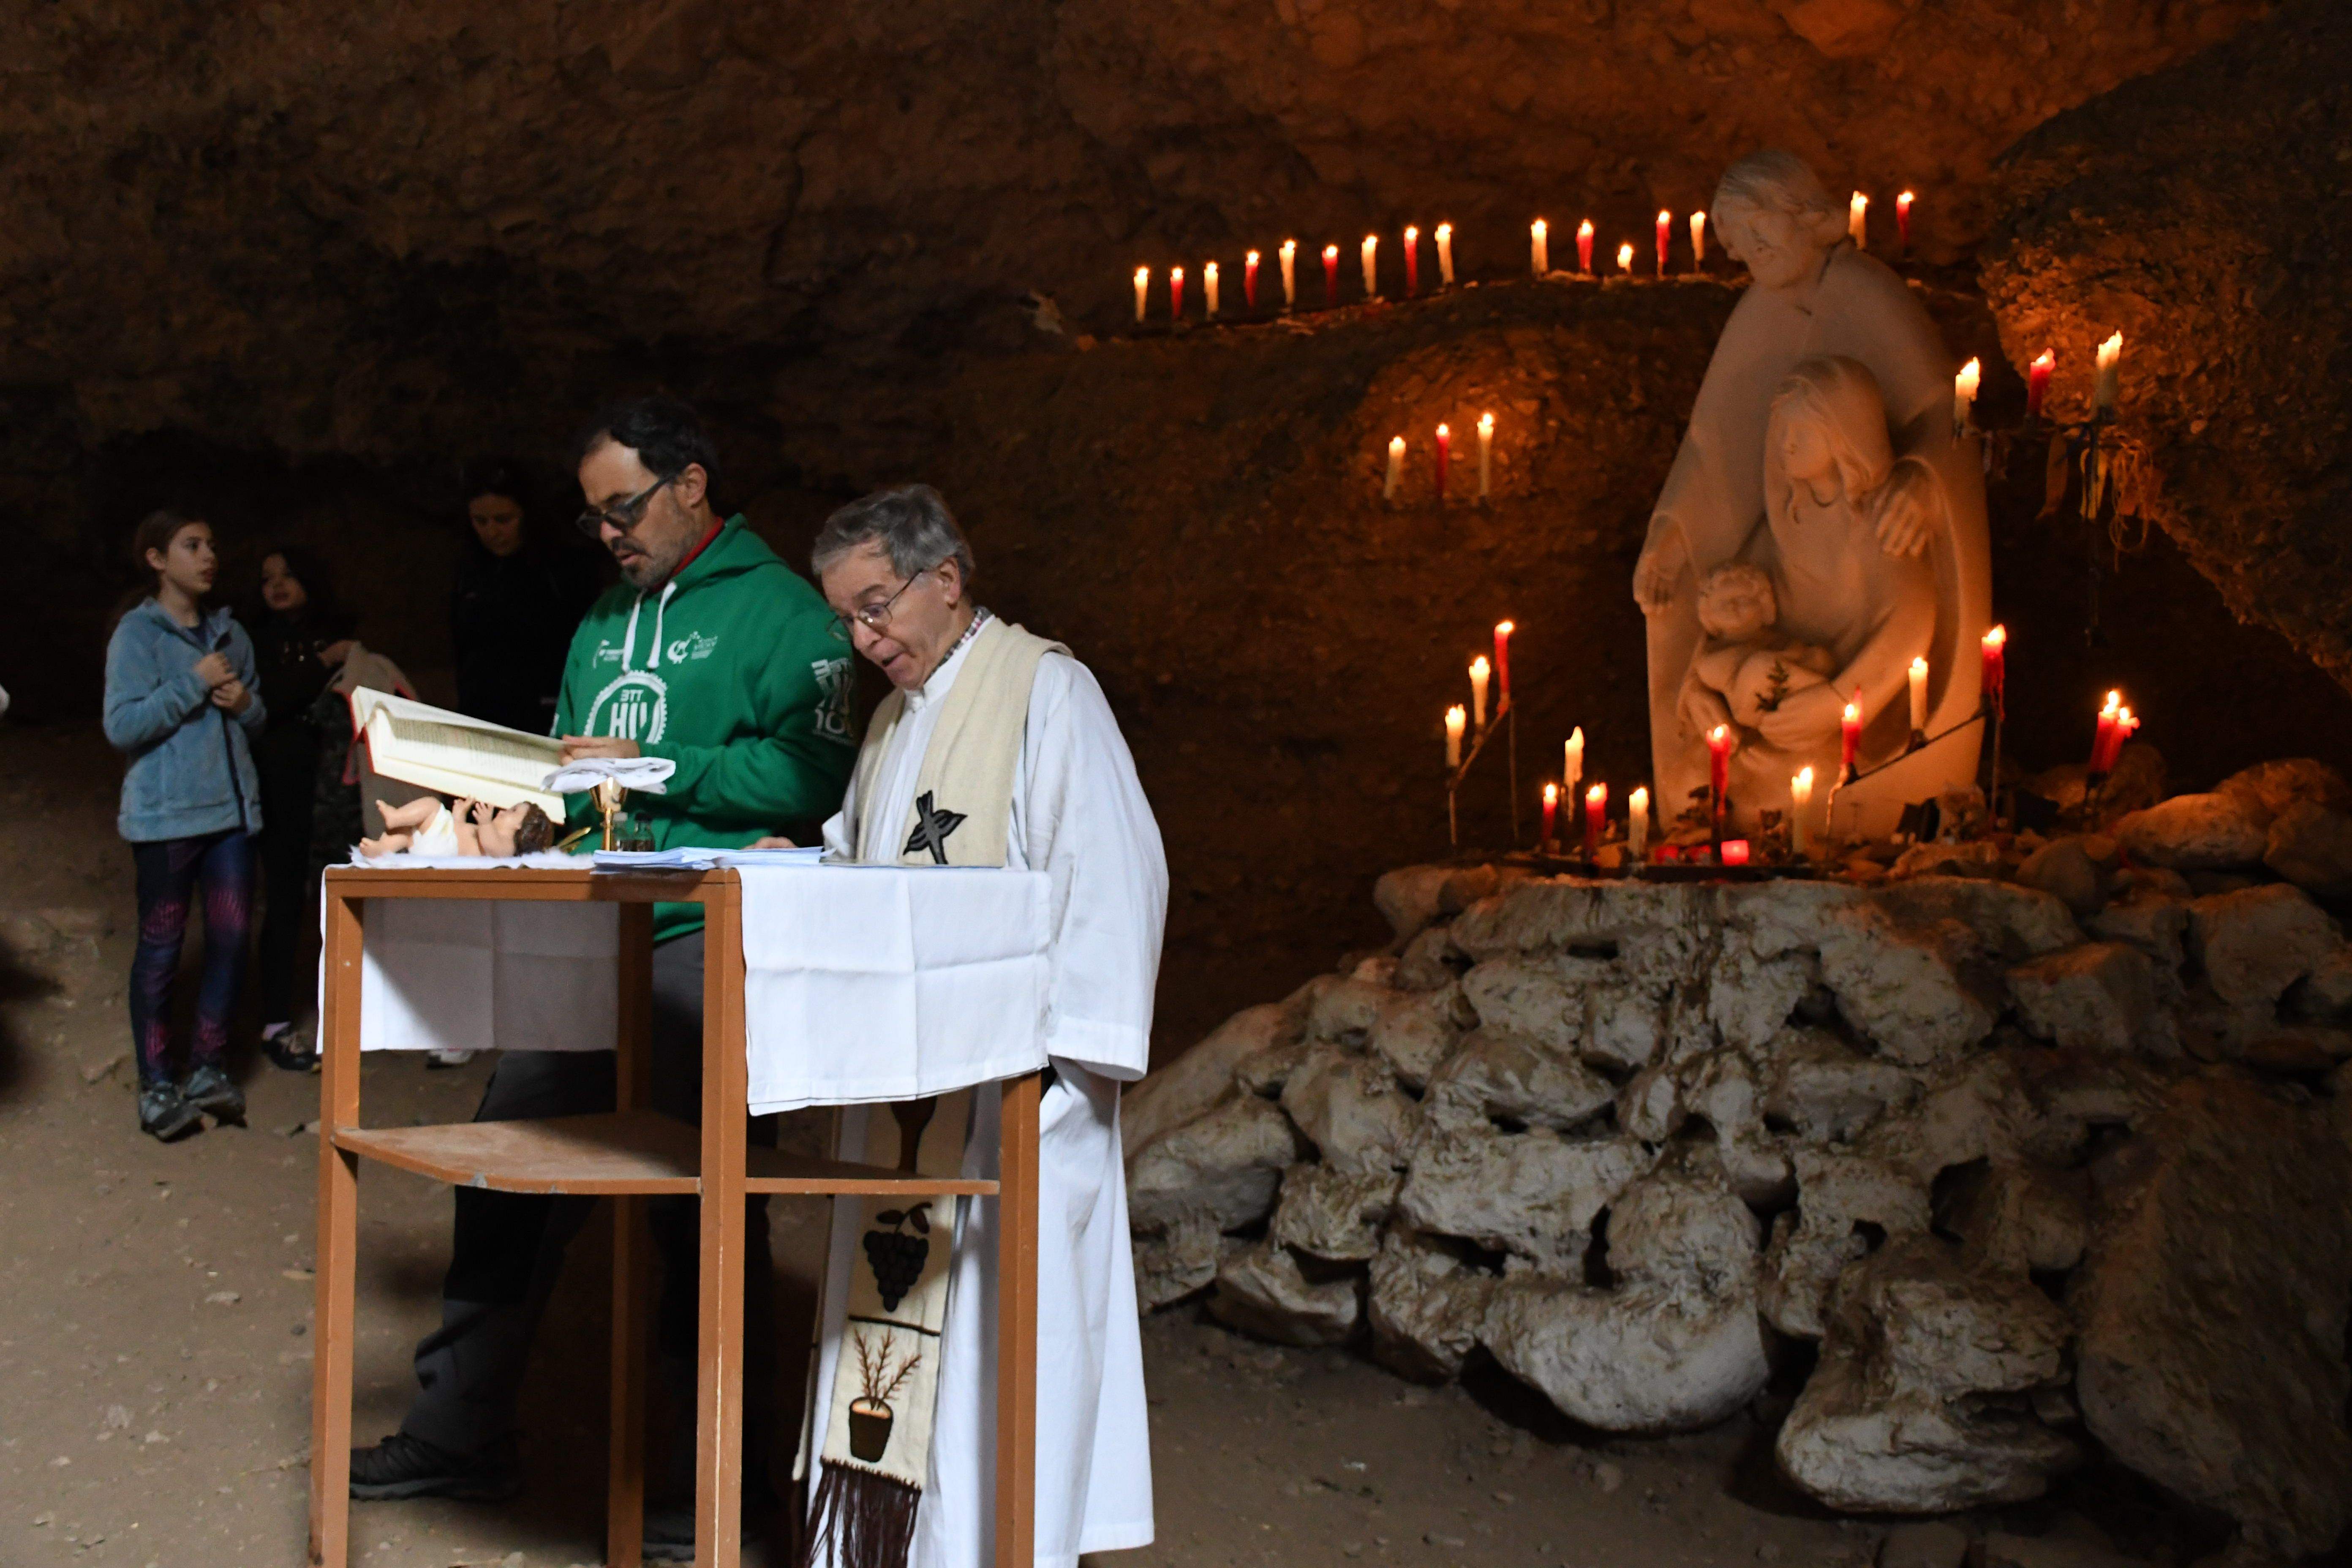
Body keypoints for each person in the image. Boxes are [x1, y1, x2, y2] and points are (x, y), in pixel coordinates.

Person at [349, 396, 857, 1563]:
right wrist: (494, 812)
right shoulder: (600, 622)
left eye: (622, 510)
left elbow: (812, 765)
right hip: (589, 941)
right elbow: (573, 773)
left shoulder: (786, 613)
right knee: (503, 1167)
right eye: (592, 520)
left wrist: (659, 769)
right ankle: (461, 1431)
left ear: (692, 484)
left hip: (703, 937)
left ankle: (702, 1499)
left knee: (701, 1207)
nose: (609, 535)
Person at [798, 484, 1164, 1568]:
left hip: (1016, 1105)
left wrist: (1064, 1070)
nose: (866, 641)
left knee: (1004, 1356)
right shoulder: (895, 720)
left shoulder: (1048, 693)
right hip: (908, 1094)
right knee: (902, 1345)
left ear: (945, 580)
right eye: (849, 621)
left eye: (877, 608)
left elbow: (1115, 874)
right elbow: (871, 863)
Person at [1633, 149, 1988, 819]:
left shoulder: (1869, 294)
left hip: (1850, 675)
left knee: (1802, 761)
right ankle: (1720, 804)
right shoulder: (1760, 317)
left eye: (1759, 232)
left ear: (1811, 220)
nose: (1747, 253)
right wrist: (1672, 541)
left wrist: (1922, 479)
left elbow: (1946, 414)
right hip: (1792, 678)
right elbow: (1713, 446)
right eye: (1737, 244)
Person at [101, 510, 267, 1141]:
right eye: (191, 545)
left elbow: (255, 718)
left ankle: (207, 1069)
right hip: (166, 820)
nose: (207, 557)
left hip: (229, 818)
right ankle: (157, 1084)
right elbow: (122, 726)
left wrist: (246, 705)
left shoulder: (232, 635)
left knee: (229, 939)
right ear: (156, 559)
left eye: (212, 545)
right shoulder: (136, 637)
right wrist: (191, 687)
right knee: (163, 949)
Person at [240, 544, 356, 1071]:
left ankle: (355, 1017)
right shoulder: (254, 639)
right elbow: (270, 700)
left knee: (347, 900)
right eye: (268, 577)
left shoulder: (344, 629)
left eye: (289, 574)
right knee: (285, 900)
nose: (278, 585)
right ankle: (277, 1019)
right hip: (282, 787)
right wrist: (321, 663)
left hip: (339, 788)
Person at [450, 458, 602, 737]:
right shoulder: (470, 571)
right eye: (480, 521)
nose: (492, 532)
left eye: (504, 520)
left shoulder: (562, 569)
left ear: (527, 514)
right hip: (480, 719)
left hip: (544, 721)